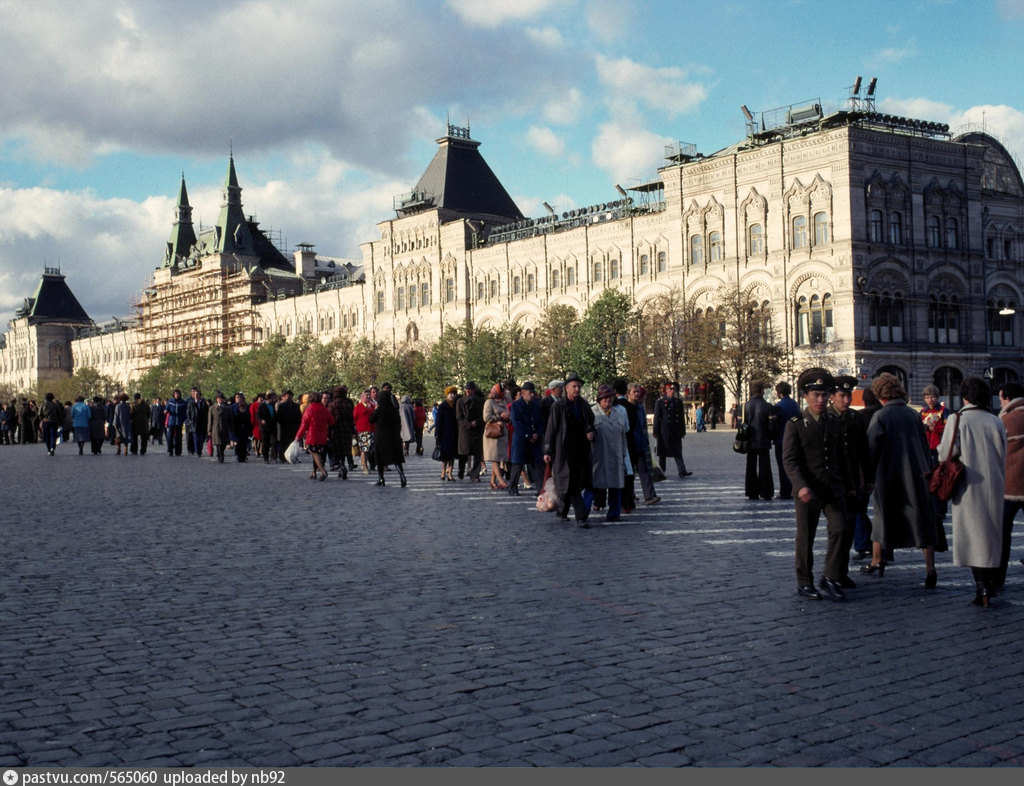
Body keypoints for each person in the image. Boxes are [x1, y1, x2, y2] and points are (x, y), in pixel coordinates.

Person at [865, 372, 947, 587]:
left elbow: (872, 449)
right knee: (923, 519)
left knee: (882, 516)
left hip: (889, 475)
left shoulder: (881, 417)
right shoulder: (913, 414)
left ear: (880, 395)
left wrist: (867, 477)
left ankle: (877, 559)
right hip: (918, 474)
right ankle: (930, 568)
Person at [939, 376, 1006, 607]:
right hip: (995, 484)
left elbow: (945, 453)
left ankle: (982, 587)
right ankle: (988, 584)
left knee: (974, 537)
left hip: (968, 485)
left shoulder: (958, 420)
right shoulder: (995, 420)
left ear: (964, 396)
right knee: (990, 535)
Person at [783, 369, 849, 601]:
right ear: (805, 396)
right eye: (816, 395)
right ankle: (804, 581)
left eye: (824, 395)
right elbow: (789, 460)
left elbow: (840, 456)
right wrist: (800, 485)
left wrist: (848, 483)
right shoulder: (796, 424)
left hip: (832, 488)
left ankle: (830, 576)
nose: (820, 400)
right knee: (805, 537)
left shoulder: (834, 421)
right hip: (808, 491)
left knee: (841, 528)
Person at [828, 375, 871, 587]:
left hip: (854, 483)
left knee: (850, 528)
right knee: (838, 529)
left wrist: (867, 480)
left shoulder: (856, 419)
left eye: (848, 396)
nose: (846, 400)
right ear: (832, 397)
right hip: (834, 483)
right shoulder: (826, 418)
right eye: (842, 396)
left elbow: (864, 452)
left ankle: (841, 572)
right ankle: (833, 573)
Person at [543, 372, 595, 527]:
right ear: (567, 388)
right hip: (563, 450)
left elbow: (590, 422)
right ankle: (581, 516)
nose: (577, 389)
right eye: (574, 386)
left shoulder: (584, 405)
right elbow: (551, 429)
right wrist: (548, 450)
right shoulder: (558, 406)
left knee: (575, 481)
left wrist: (591, 431)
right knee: (570, 482)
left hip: (581, 450)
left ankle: (562, 510)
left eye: (579, 386)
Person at [591, 384, 632, 522]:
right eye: (604, 398)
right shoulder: (592, 413)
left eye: (610, 397)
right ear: (599, 399)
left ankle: (614, 513)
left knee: (616, 485)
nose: (608, 400)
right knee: (593, 486)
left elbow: (623, 436)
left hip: (616, 456)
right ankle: (583, 512)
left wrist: (624, 455)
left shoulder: (618, 413)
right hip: (599, 456)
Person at [997, 382, 1024, 588]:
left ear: (1007, 398)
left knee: (1003, 534)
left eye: (1000, 398)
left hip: (1010, 486)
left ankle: (999, 578)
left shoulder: (1006, 420)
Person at [508, 381, 543, 496]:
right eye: (530, 392)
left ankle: (540, 490)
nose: (532, 395)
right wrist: (528, 435)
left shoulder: (536, 405)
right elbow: (517, 423)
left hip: (534, 439)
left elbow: (540, 421)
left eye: (533, 392)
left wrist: (537, 433)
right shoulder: (516, 405)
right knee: (517, 464)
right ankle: (512, 488)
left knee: (537, 465)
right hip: (521, 438)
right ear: (523, 392)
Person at [628, 383, 660, 506]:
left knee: (644, 470)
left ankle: (650, 495)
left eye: (638, 392)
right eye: (634, 392)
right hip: (630, 445)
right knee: (630, 473)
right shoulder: (626, 407)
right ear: (628, 394)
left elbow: (643, 427)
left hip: (640, 444)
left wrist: (645, 441)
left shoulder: (640, 408)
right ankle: (630, 495)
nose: (637, 394)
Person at [369, 382, 406, 487]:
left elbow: (371, 419)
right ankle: (402, 476)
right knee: (396, 458)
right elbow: (399, 424)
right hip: (394, 437)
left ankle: (381, 479)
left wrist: (375, 409)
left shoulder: (379, 410)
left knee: (380, 459)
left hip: (381, 437)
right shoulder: (394, 410)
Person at [769, 381, 801, 500]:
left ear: (779, 393)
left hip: (781, 440)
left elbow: (775, 425)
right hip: (795, 439)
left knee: (783, 467)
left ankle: (785, 492)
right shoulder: (795, 404)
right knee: (794, 465)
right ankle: (795, 488)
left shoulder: (779, 407)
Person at [743, 381, 774, 501]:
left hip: (750, 439)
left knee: (750, 466)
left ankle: (751, 492)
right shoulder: (768, 406)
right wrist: (771, 436)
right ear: (762, 391)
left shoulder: (745, 405)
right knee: (765, 466)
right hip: (764, 439)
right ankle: (766, 492)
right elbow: (772, 425)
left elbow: (742, 424)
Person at [295, 390, 336, 481]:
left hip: (312, 435)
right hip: (323, 435)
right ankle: (314, 472)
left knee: (314, 453)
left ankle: (323, 471)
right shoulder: (324, 409)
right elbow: (332, 421)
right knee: (318, 454)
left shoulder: (309, 409)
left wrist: (298, 436)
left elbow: (304, 424)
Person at [653, 382, 691, 478]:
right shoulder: (660, 402)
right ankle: (662, 471)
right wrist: (655, 432)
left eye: (673, 389)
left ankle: (682, 470)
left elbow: (681, 418)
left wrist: (683, 431)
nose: (672, 391)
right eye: (670, 389)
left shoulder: (678, 401)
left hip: (675, 430)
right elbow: (657, 418)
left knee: (677, 451)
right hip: (664, 430)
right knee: (663, 453)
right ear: (666, 390)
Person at [483, 383, 510, 489]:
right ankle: (501, 481)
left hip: (502, 433)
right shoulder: (489, 402)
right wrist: (499, 416)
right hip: (493, 434)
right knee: (495, 458)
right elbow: (486, 417)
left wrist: (508, 417)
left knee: (498, 458)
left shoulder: (503, 402)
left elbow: (508, 414)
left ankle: (493, 482)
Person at [457, 381, 485, 481]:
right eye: (467, 390)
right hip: (465, 431)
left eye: (471, 389)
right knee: (464, 454)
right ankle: (461, 470)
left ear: (474, 390)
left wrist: (476, 422)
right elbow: (459, 417)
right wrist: (469, 424)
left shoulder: (480, 401)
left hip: (477, 430)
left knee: (477, 454)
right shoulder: (460, 401)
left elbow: (483, 415)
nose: (469, 391)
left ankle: (475, 475)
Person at [434, 386, 460, 482]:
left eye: (454, 394)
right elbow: (438, 421)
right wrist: (437, 434)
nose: (452, 396)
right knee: (444, 455)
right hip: (444, 434)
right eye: (450, 394)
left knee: (452, 455)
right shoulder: (442, 406)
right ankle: (443, 471)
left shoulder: (457, 405)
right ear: (447, 394)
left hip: (454, 433)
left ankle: (450, 473)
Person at [328, 385, 354, 477]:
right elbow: (351, 419)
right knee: (345, 449)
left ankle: (342, 466)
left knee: (337, 449)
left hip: (336, 430)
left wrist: (328, 431)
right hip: (346, 429)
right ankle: (343, 465)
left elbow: (329, 419)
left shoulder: (332, 405)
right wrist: (353, 430)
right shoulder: (348, 405)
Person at [920, 384, 949, 462]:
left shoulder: (944, 410)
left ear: (937, 397)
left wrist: (935, 429)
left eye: (932, 397)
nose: (930, 400)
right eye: (927, 397)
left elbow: (948, 427)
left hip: (939, 446)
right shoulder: (923, 411)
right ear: (924, 399)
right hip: (925, 446)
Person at [353, 389, 376, 473]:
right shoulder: (358, 407)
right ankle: (365, 466)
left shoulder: (372, 406)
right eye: (366, 395)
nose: (368, 397)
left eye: (369, 395)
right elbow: (354, 418)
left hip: (372, 430)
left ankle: (364, 462)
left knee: (370, 449)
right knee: (364, 449)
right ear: (362, 397)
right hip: (363, 430)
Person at [276, 390, 302, 463]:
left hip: (294, 427)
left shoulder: (296, 406)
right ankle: (282, 457)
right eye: (287, 396)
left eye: (290, 396)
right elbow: (278, 417)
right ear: (284, 397)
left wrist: (298, 425)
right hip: (284, 427)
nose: (288, 397)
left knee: (293, 443)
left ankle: (292, 457)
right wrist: (283, 424)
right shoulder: (281, 406)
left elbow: (299, 416)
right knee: (284, 443)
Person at [207, 392, 232, 463]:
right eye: (219, 398)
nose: (220, 400)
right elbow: (210, 420)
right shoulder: (212, 408)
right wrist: (209, 430)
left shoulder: (227, 408)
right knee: (218, 443)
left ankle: (221, 453)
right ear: (216, 399)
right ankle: (220, 456)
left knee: (223, 443)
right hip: (216, 427)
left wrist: (231, 428)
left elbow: (230, 419)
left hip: (224, 427)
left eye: (222, 398)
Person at [185, 387, 209, 457]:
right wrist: (190, 420)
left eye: (197, 394)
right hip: (194, 423)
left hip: (202, 423)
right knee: (195, 438)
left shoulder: (203, 403)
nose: (196, 395)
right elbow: (188, 412)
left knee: (201, 438)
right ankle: (196, 451)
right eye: (195, 394)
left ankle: (199, 449)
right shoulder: (191, 403)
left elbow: (206, 412)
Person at [257, 391, 278, 463]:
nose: (273, 400)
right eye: (272, 398)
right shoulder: (261, 406)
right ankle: (266, 458)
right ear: (268, 399)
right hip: (264, 427)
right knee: (265, 443)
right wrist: (261, 420)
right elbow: (258, 416)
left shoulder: (272, 405)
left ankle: (273, 457)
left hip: (272, 426)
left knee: (274, 441)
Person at [165, 389, 187, 456]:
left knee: (178, 437)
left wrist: (183, 419)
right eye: (175, 394)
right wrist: (166, 411)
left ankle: (178, 451)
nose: (177, 395)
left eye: (178, 394)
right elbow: (166, 409)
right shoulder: (170, 401)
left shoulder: (183, 402)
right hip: (171, 421)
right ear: (173, 395)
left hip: (179, 422)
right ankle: (170, 451)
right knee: (170, 437)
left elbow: (185, 412)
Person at [232, 392, 252, 462]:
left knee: (244, 445)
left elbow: (249, 424)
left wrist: (250, 432)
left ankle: (243, 456)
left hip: (245, 431)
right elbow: (233, 423)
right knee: (239, 444)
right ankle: (239, 456)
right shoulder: (234, 409)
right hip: (238, 431)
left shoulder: (247, 414)